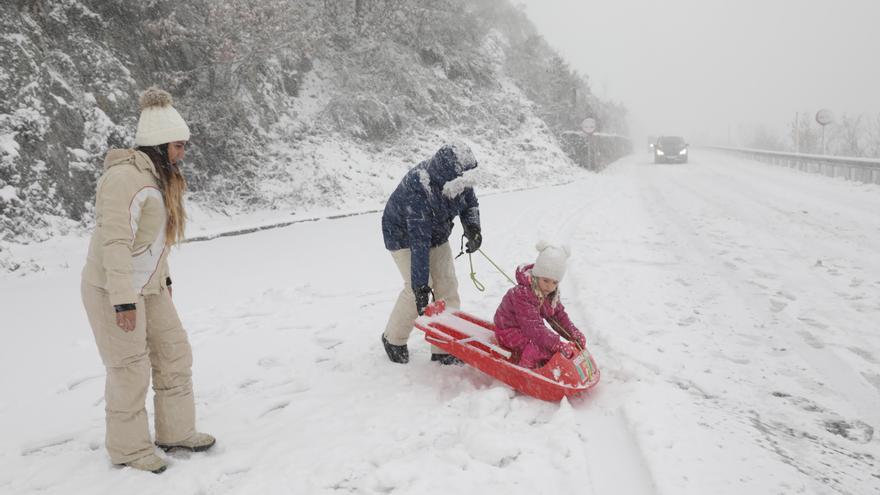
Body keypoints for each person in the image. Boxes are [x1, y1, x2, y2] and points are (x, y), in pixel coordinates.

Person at [80, 87, 214, 474]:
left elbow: (155, 240)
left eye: (184, 145)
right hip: (112, 289)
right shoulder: (123, 178)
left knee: (174, 351)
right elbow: (116, 243)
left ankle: (175, 431)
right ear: (158, 144)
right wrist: (122, 301)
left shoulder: (160, 177)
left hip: (149, 287)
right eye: (177, 145)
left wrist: (164, 281)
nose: (182, 153)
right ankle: (129, 449)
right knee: (129, 367)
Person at [380, 142, 483, 365]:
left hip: (437, 232)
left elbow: (470, 203)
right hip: (403, 237)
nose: (465, 186)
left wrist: (473, 228)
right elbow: (419, 243)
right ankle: (393, 339)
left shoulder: (460, 179)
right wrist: (421, 287)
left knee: (447, 284)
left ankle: (445, 345)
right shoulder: (419, 191)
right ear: (445, 178)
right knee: (415, 288)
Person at [493, 242, 586, 369]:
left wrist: (573, 334)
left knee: (548, 347)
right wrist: (557, 343)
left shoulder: (550, 294)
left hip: (524, 329)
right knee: (538, 347)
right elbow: (534, 328)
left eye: (554, 282)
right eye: (545, 280)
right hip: (508, 331)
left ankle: (536, 362)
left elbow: (558, 316)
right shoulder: (523, 294)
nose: (549, 286)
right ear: (537, 276)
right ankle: (525, 372)